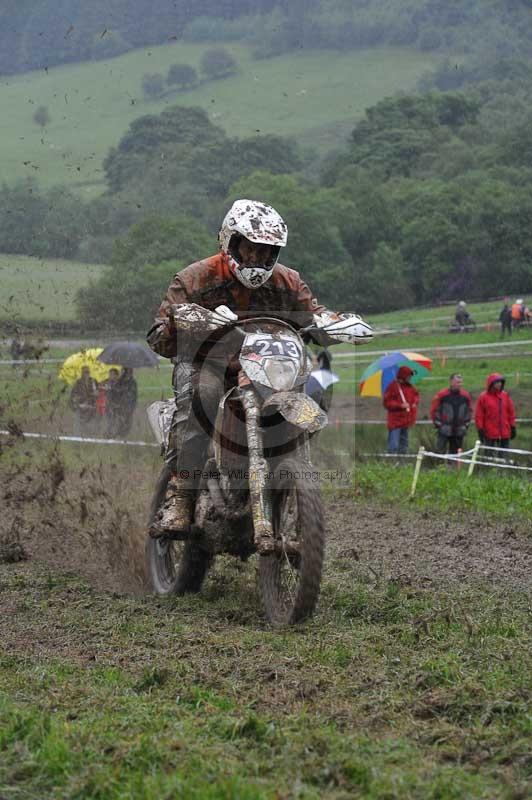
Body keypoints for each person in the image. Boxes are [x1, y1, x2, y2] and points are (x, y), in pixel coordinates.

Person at [147, 198, 372, 537]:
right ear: (230, 242)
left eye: (267, 252)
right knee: (203, 399)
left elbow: (313, 315)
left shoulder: (288, 282)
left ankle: (286, 478)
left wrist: (337, 325)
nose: (258, 259)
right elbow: (158, 338)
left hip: (265, 367)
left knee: (303, 403)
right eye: (251, 249)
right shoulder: (194, 279)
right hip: (206, 365)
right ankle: (181, 495)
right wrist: (187, 324)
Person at [430, 373, 472, 455]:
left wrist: (465, 425)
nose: (459, 384)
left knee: (456, 454)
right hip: (444, 428)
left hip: (459, 429)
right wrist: (439, 425)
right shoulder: (442, 395)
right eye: (457, 382)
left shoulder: (466, 396)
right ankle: (439, 466)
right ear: (451, 382)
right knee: (440, 452)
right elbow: (434, 410)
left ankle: (454, 467)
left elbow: (469, 411)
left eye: (460, 382)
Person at [382, 366, 419, 455]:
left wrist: (414, 403)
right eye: (408, 376)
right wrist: (400, 405)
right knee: (393, 445)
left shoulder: (410, 387)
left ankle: (403, 464)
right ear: (403, 376)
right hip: (395, 422)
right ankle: (391, 463)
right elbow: (387, 403)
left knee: (404, 446)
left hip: (406, 421)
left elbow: (416, 396)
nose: (410, 378)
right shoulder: (392, 387)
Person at [474, 373, 516, 449]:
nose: (499, 384)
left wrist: (512, 426)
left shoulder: (505, 396)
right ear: (491, 383)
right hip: (489, 433)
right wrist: (480, 429)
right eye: (497, 382)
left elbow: (511, 412)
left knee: (504, 457)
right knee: (488, 457)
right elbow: (479, 415)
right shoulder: (483, 397)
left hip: (504, 433)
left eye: (501, 382)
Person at [107, 367, 137, 437]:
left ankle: (123, 435)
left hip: (127, 406)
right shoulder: (120, 381)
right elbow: (115, 392)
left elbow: (133, 395)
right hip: (118, 406)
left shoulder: (132, 382)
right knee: (118, 421)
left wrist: (131, 405)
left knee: (126, 422)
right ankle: (115, 435)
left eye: (123, 371)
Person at [70, 366, 98, 436]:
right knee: (78, 424)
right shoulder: (78, 382)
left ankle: (90, 438)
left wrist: (95, 394)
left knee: (91, 423)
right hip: (81, 406)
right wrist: (78, 400)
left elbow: (97, 393)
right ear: (82, 373)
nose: (87, 374)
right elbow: (73, 395)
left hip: (91, 406)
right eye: (85, 372)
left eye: (88, 372)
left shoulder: (93, 381)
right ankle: (78, 438)